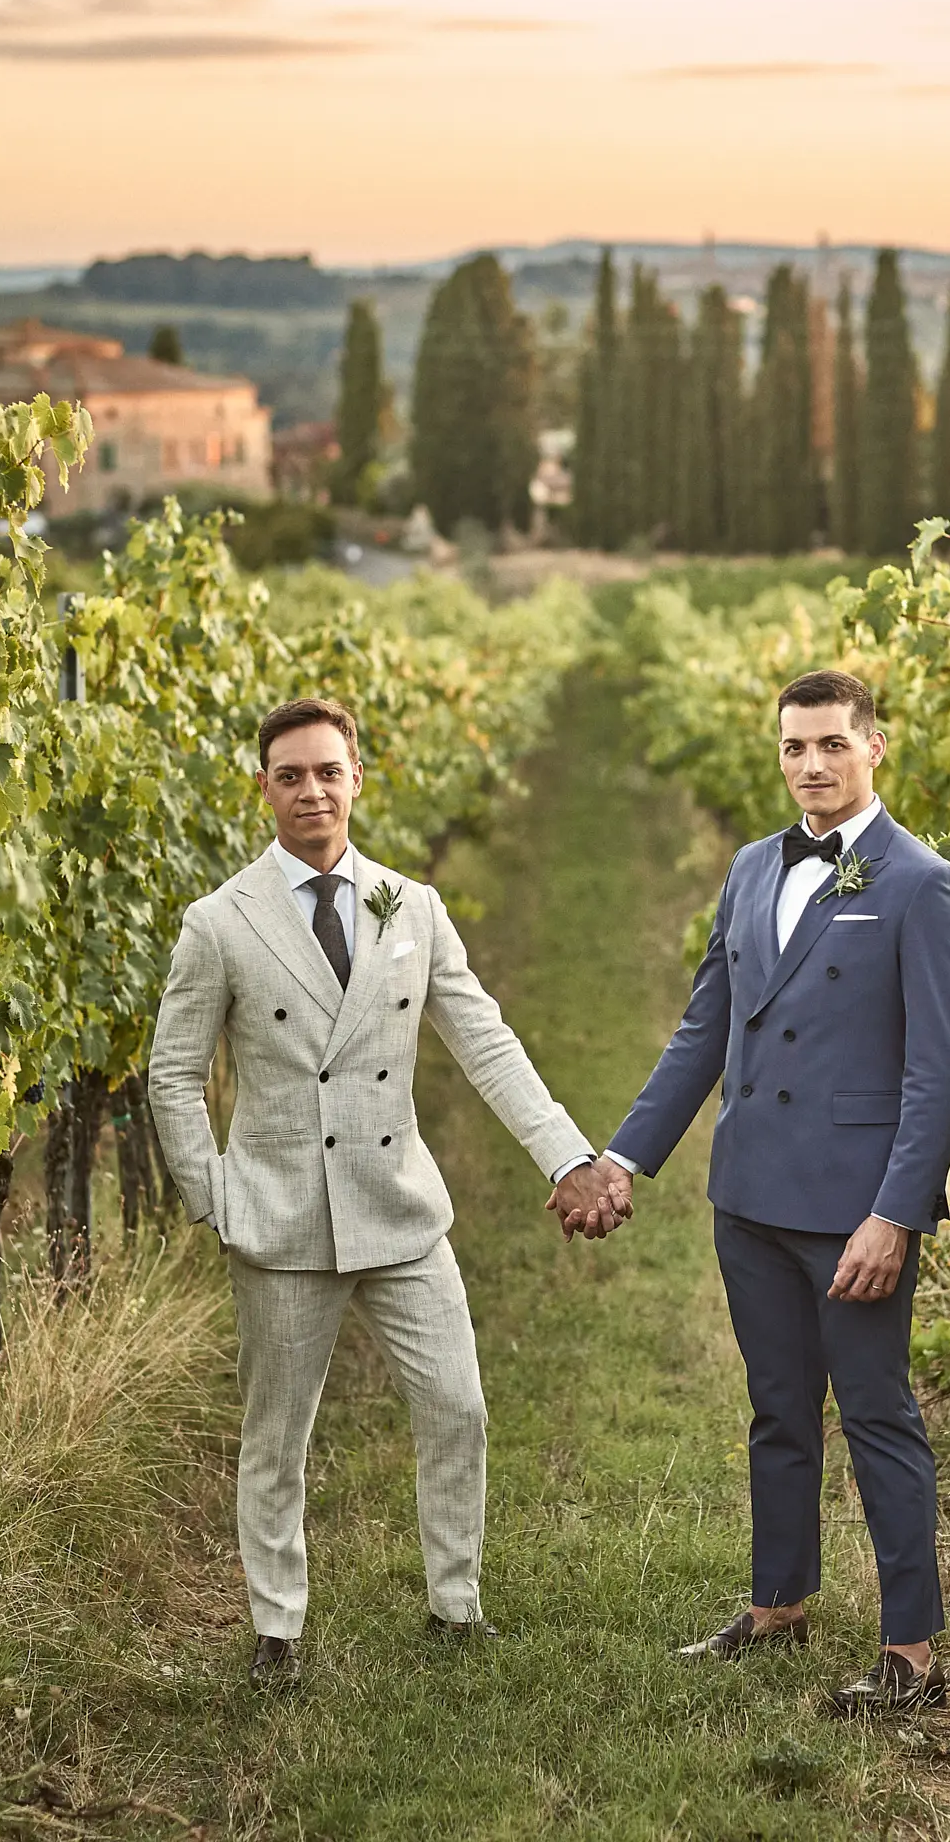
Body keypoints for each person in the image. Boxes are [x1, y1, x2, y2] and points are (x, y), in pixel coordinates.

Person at [148, 696, 624, 1688]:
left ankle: (457, 1607)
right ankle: (277, 1629)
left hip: (401, 1210)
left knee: (458, 1406)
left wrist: (566, 1158)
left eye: (329, 771)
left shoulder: (412, 906)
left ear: (357, 778)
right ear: (264, 789)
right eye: (290, 775)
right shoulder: (220, 922)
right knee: (278, 1436)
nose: (311, 791)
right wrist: (214, 1196)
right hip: (279, 1217)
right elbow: (173, 1074)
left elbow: (486, 1043)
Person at [556, 669, 950, 1716]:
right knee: (778, 1410)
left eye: (832, 743)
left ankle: (912, 1656)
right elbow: (705, 1030)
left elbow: (939, 1074)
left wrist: (895, 1214)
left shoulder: (922, 885)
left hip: (853, 1212)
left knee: (877, 1416)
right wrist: (622, 1160)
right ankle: (778, 1606)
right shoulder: (751, 868)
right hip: (747, 1195)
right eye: (795, 746)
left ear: (875, 746)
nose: (811, 764)